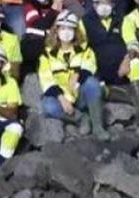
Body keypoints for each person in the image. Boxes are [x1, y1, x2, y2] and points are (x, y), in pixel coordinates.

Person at [39, 11, 108, 141]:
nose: (66, 32)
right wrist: (62, 98)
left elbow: (89, 67)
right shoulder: (46, 54)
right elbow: (46, 79)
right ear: (56, 30)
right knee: (48, 106)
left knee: (92, 83)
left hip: (80, 94)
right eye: (63, 28)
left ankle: (98, 127)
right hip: (62, 98)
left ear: (76, 31)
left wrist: (77, 77)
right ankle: (81, 118)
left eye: (70, 28)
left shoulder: (85, 49)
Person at [83, 0, 127, 88]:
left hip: (123, 69)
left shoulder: (123, 19)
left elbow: (132, 42)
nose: (103, 6)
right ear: (93, 4)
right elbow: (81, 50)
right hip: (99, 72)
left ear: (113, 3)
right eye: (99, 2)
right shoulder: (84, 22)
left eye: (107, 2)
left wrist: (127, 60)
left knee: (136, 62)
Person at [22, 0, 61, 69]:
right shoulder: (29, 5)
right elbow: (39, 25)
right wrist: (54, 9)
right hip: (33, 46)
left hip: (51, 43)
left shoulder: (53, 4)